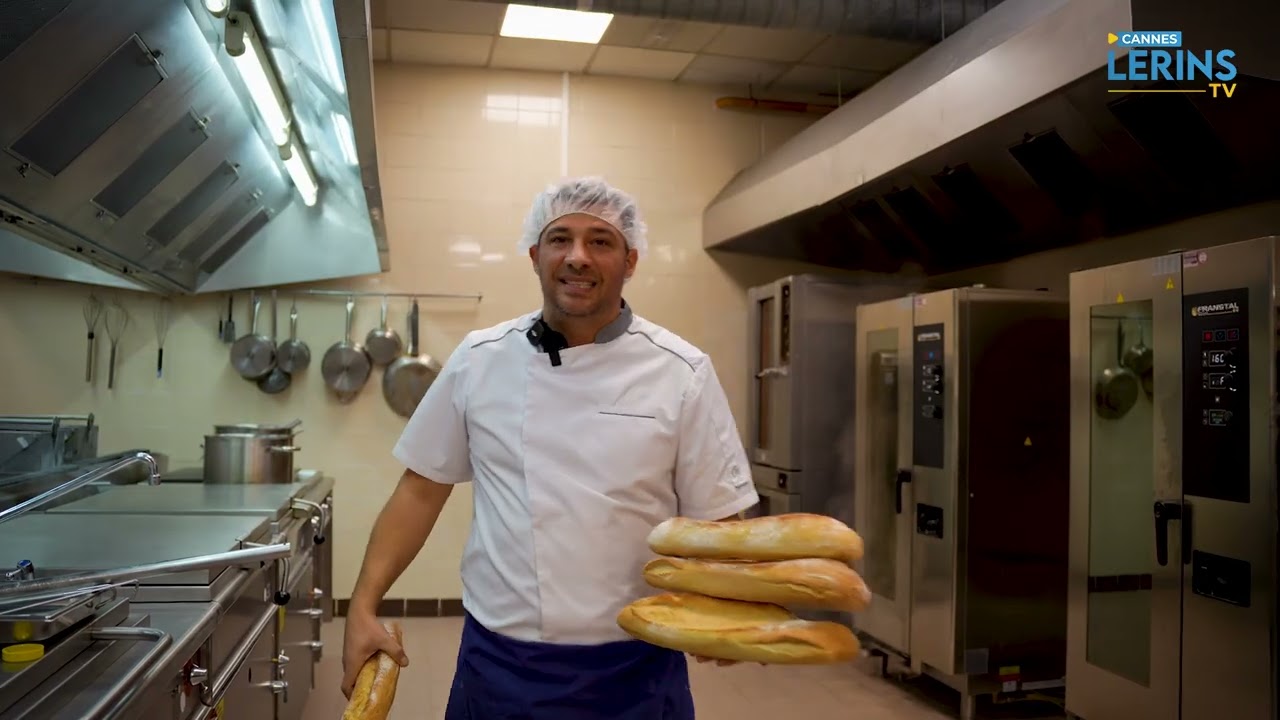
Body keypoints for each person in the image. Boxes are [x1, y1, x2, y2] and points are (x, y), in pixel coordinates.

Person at [340, 176, 760, 719]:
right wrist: (363, 604)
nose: (577, 257)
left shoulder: (681, 371)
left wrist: (729, 607)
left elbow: (721, 519)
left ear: (630, 261)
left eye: (600, 241)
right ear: (536, 256)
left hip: (637, 667)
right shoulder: (480, 358)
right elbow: (421, 488)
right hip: (500, 665)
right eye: (560, 239)